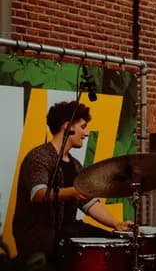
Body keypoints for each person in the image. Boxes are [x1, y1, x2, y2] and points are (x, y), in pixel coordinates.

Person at [13, 101, 132, 258]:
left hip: (67, 232)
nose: (87, 133)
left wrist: (115, 224)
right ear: (68, 126)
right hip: (38, 236)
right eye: (83, 127)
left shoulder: (75, 165)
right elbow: (38, 194)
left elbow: (88, 202)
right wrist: (72, 192)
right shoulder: (39, 157)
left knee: (115, 242)